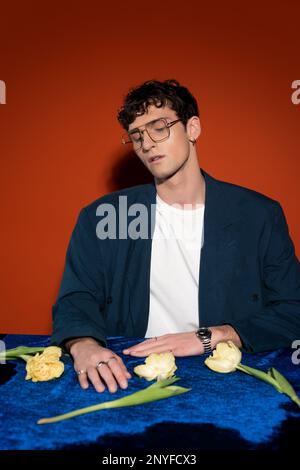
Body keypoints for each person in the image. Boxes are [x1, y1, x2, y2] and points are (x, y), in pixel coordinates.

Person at [52, 79, 300, 394]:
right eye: (137, 135)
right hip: (128, 370)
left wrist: (215, 336)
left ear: (193, 128)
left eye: (159, 127)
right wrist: (83, 344)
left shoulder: (257, 214)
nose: (147, 143)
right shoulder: (105, 215)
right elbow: (77, 296)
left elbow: (293, 307)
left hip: (226, 377)